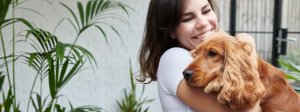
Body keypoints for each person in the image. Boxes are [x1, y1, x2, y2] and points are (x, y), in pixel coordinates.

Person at [138, 0, 260, 111]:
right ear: (171, 31)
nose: (203, 22)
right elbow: (247, 109)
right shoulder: (174, 58)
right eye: (187, 19)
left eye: (206, 11)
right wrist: (249, 50)